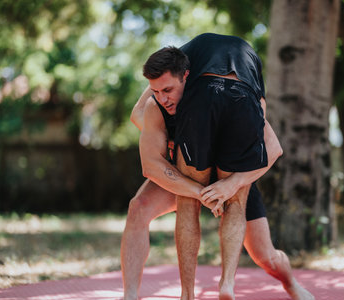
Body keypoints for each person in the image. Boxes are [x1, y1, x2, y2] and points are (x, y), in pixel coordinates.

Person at [121, 33, 314, 300]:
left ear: (187, 76)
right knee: (138, 207)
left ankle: (291, 284)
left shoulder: (229, 98)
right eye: (158, 91)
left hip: (231, 173)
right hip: (188, 170)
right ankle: (130, 295)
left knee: (265, 255)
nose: (164, 97)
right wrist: (178, 143)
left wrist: (231, 183)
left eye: (168, 91)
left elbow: (271, 149)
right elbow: (139, 115)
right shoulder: (161, 95)